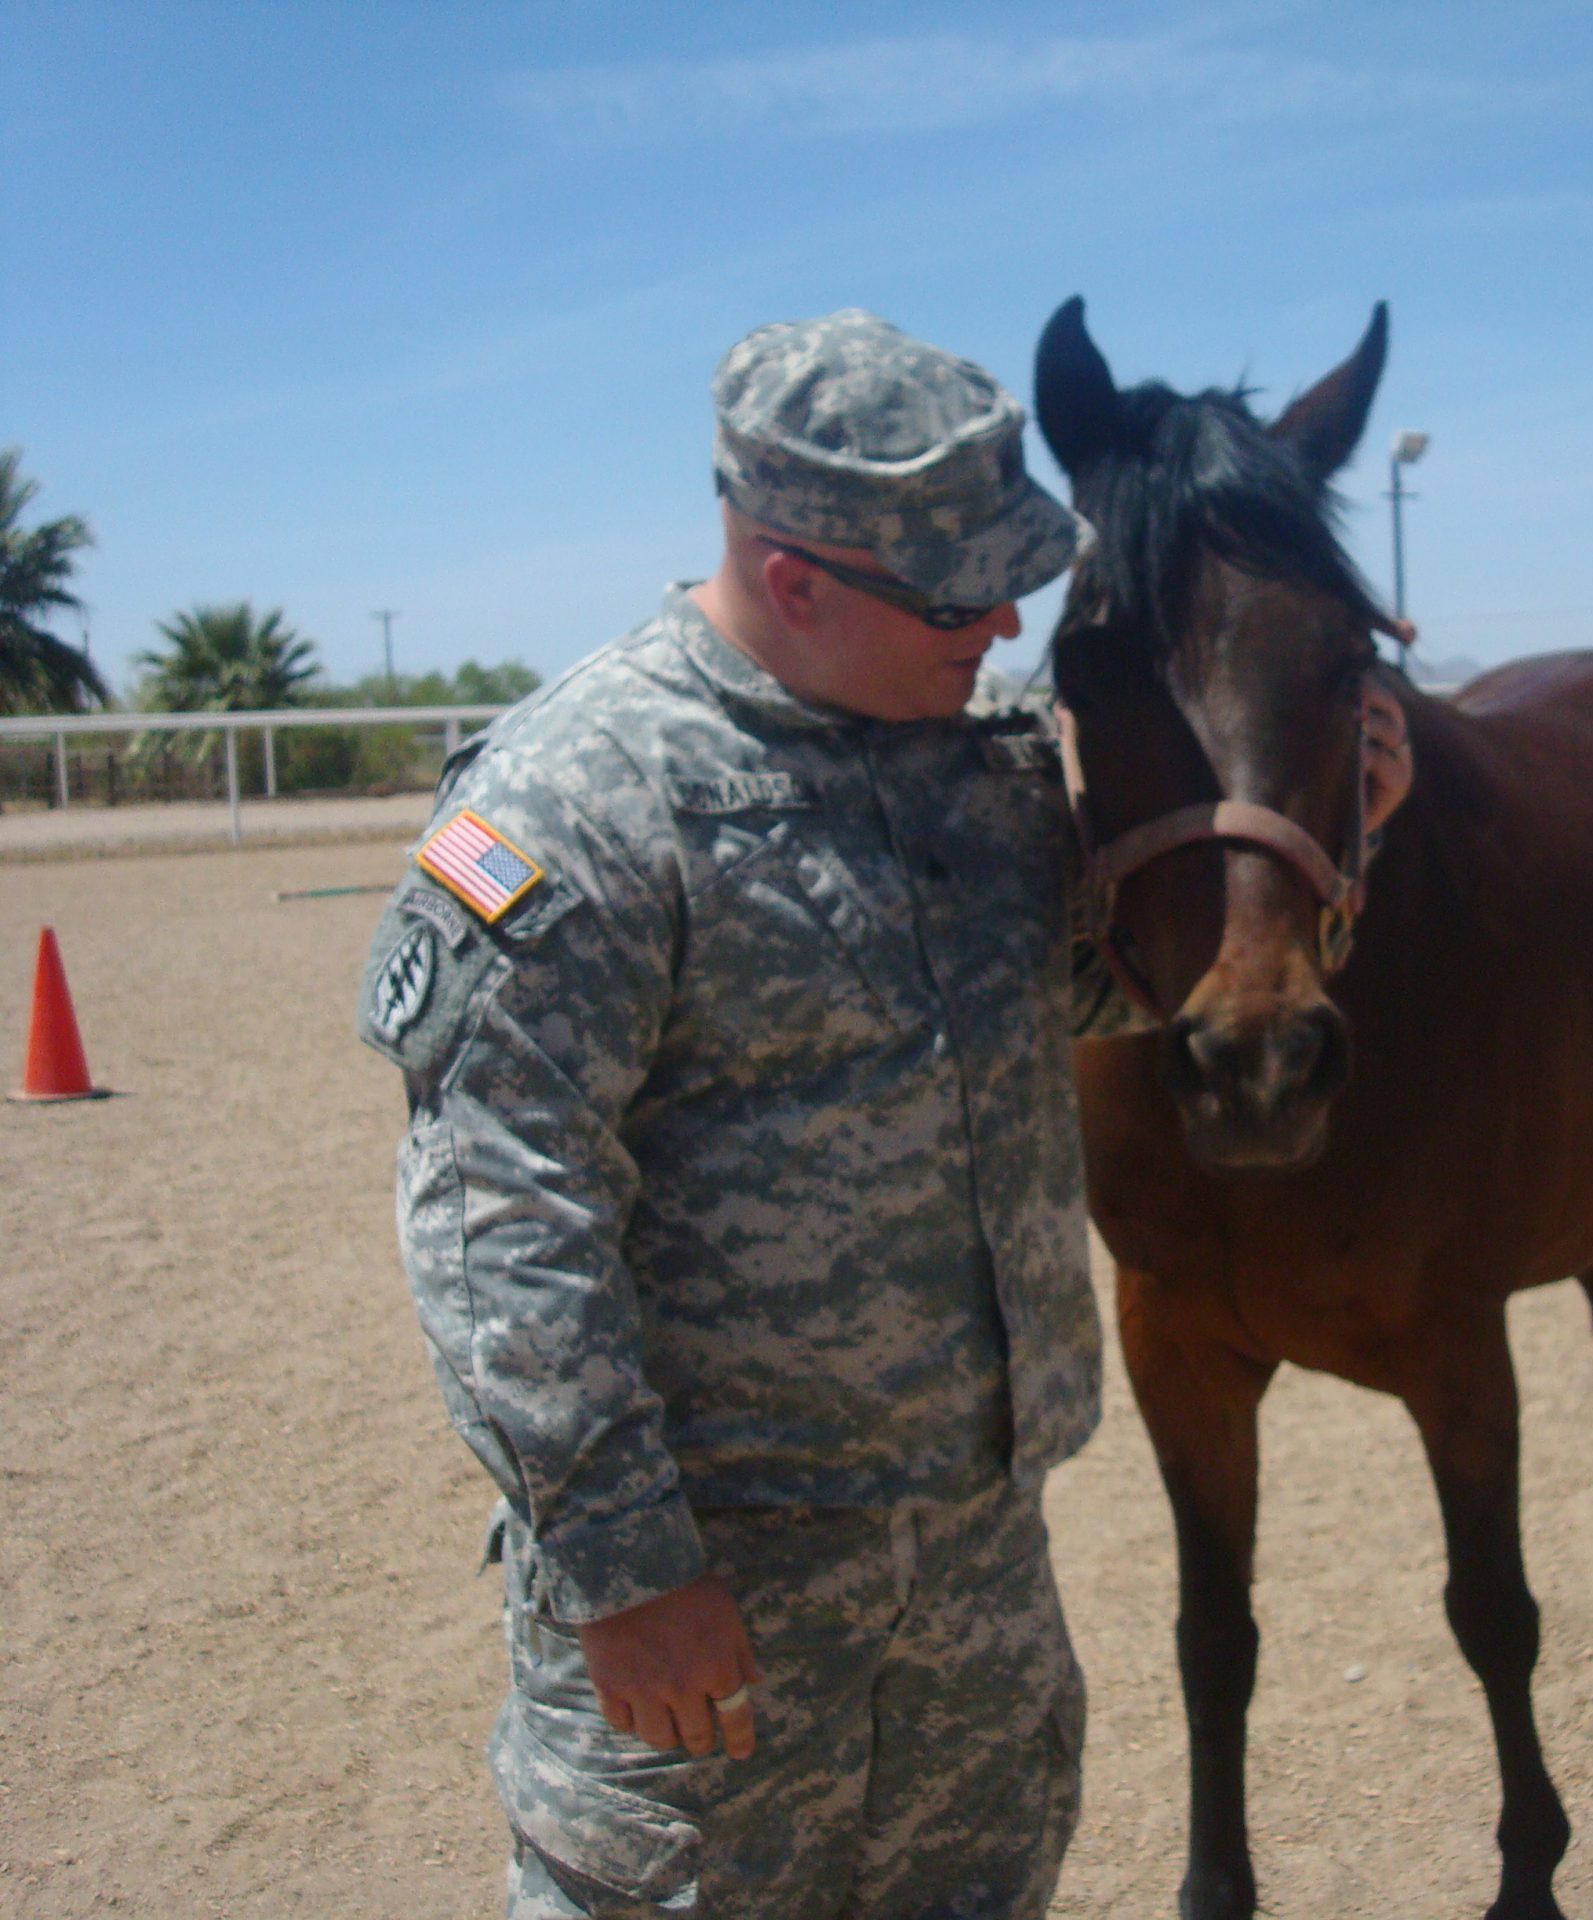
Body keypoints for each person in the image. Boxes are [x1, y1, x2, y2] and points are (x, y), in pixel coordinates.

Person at [358, 308, 1113, 1919]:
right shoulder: (576, 792)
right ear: (794, 581)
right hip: (716, 1606)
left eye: (1014, 584)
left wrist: (1349, 838)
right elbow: (502, 1209)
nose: (998, 625)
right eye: (960, 594)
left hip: (976, 1592)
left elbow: (1077, 1003)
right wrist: (629, 1573)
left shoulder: (976, 766)